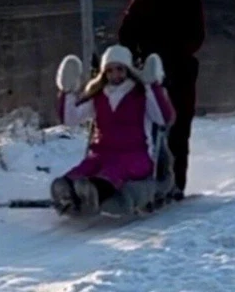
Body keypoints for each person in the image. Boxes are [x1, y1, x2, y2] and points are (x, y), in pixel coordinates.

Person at [118, 0, 205, 198]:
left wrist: (172, 52)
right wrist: (135, 55)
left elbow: (196, 37)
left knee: (177, 129)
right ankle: (139, 179)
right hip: (145, 71)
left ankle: (175, 183)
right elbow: (126, 32)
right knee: (141, 127)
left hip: (180, 72)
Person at [51, 45, 174, 217]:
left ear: (128, 70)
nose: (115, 75)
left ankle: (95, 192)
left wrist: (151, 86)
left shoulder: (140, 95)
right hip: (100, 154)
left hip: (134, 155)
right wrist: (68, 92)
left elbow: (162, 118)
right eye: (109, 71)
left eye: (119, 69)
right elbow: (71, 119)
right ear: (104, 73)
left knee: (113, 171)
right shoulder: (99, 96)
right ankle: (67, 191)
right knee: (84, 169)